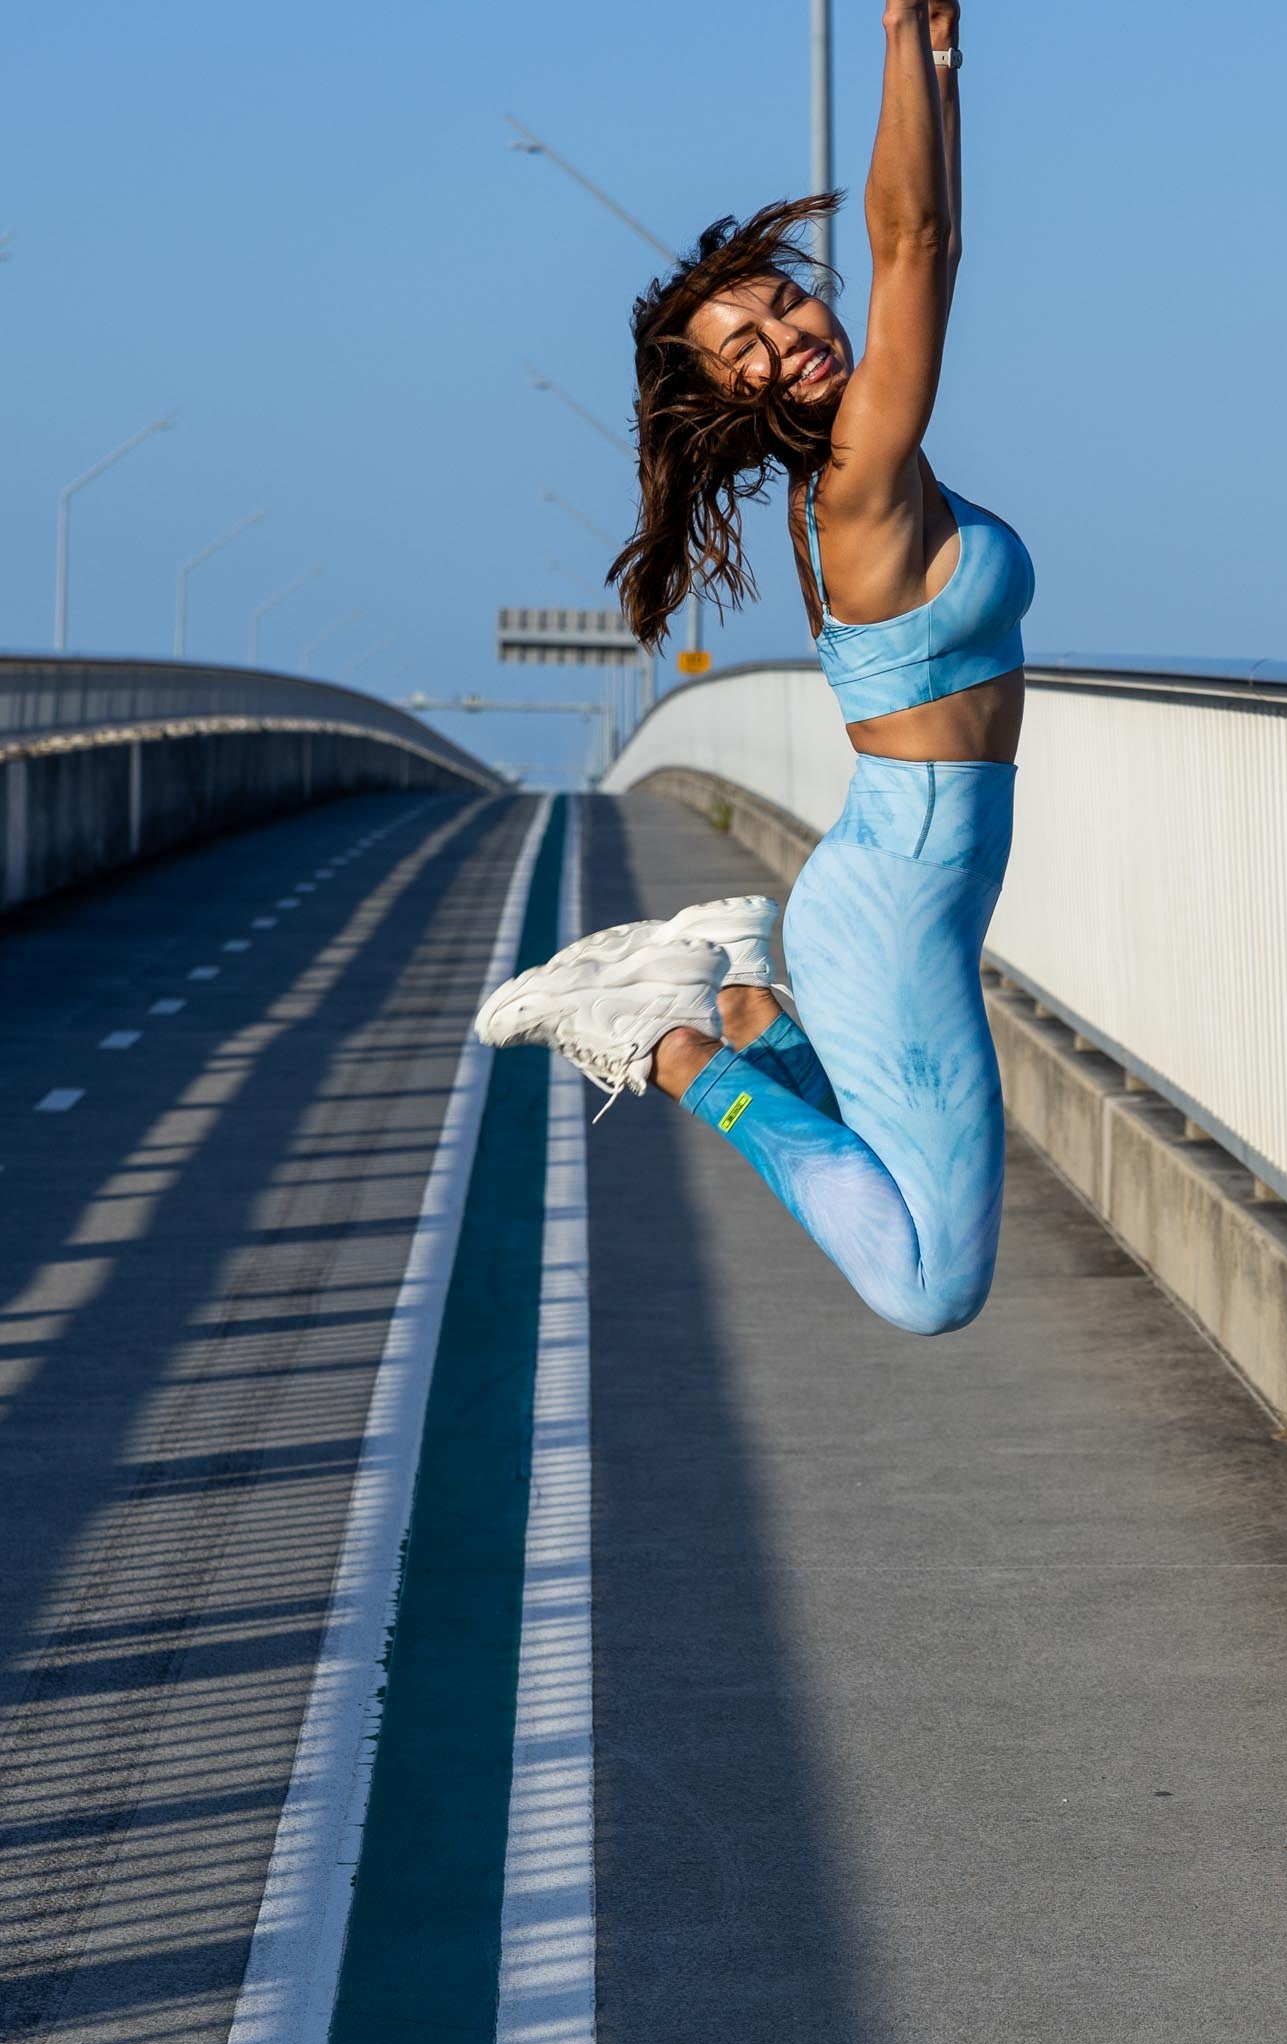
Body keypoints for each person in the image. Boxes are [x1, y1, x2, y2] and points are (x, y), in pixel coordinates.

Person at [477, 1, 1035, 1335]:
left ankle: (734, 987)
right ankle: (666, 1042)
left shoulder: (856, 471)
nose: (798, 338)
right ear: (736, 402)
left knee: (887, 1197)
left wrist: (942, 54)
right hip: (890, 912)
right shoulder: (852, 489)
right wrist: (909, 33)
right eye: (756, 350)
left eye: (786, 304)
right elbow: (916, 243)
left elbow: (915, 242)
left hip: (900, 891)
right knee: (926, 1289)